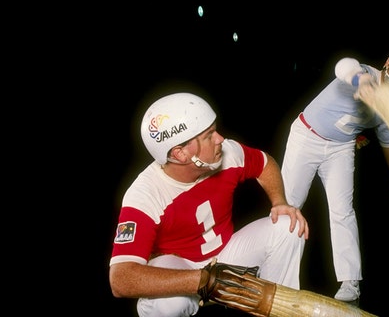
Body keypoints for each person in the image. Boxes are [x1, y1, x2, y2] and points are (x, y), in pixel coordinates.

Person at [109, 92, 309, 317]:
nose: (220, 139)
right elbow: (120, 279)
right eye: (209, 135)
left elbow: (264, 163)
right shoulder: (144, 195)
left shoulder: (227, 153)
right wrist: (201, 279)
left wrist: (279, 201)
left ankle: (278, 309)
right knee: (165, 304)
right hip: (181, 271)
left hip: (227, 258)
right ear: (181, 153)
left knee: (288, 225)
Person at [280, 49, 389, 302]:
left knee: (343, 211)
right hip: (306, 136)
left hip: (340, 148)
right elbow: (343, 65)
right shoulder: (365, 72)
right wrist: (361, 81)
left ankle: (350, 286)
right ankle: (277, 273)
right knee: (290, 205)